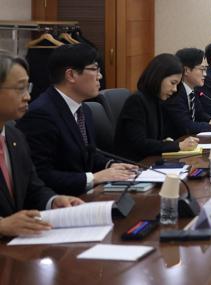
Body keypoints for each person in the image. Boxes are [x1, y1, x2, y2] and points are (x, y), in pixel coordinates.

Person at [17, 44, 137, 196]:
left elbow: (87, 155)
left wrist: (111, 165)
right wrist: (93, 178)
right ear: (71, 75)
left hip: (83, 195)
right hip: (60, 201)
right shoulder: (41, 114)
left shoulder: (83, 110)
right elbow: (41, 175)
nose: (100, 76)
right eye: (94, 69)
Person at [0, 53, 83, 237]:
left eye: (27, 87)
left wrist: (53, 201)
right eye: (20, 88)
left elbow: (33, 188)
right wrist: (2, 226)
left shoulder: (15, 135)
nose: (28, 96)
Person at [114, 54, 199, 161]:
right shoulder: (137, 101)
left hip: (151, 159)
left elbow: (158, 137)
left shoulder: (157, 100)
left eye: (177, 85)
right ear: (158, 77)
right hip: (133, 164)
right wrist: (178, 145)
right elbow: (139, 144)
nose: (175, 89)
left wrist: (167, 141)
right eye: (172, 83)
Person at [163, 48, 211, 134]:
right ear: (186, 70)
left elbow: (200, 114)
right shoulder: (176, 93)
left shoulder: (193, 90)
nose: (205, 74)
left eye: (205, 69)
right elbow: (186, 126)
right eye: (202, 69)